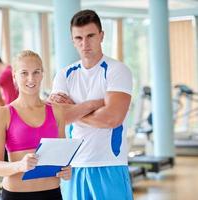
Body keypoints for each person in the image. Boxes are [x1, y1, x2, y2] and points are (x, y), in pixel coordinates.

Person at [49, 10, 133, 200]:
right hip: (73, 167)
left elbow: (112, 118)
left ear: (101, 35)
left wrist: (73, 108)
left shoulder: (117, 70)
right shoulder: (64, 75)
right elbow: (57, 118)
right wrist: (94, 104)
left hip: (109, 164)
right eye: (78, 38)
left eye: (90, 36)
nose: (84, 44)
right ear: (72, 40)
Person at [0, 50, 71, 200]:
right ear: (14, 76)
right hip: (16, 195)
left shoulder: (57, 111)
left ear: (42, 74)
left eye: (36, 72)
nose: (31, 78)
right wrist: (19, 166)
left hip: (52, 194)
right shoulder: (2, 114)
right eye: (24, 73)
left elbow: (61, 157)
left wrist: (66, 170)